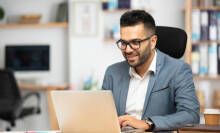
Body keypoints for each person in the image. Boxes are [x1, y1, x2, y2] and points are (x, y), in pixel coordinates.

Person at [102, 10, 200, 132]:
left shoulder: (178, 70)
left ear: (153, 42)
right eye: (123, 43)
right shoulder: (112, 72)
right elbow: (102, 116)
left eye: (135, 42)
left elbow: (191, 115)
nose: (127, 50)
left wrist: (148, 123)